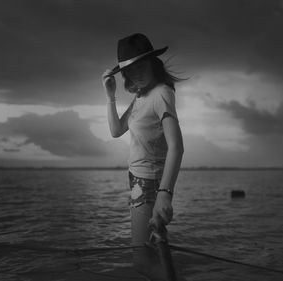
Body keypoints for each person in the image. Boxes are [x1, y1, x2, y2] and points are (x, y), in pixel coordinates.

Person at [102, 33, 184, 280]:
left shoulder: (160, 93)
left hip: (150, 184)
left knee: (140, 262)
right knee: (152, 253)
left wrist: (164, 195)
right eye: (130, 69)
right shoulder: (140, 96)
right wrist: (110, 96)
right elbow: (116, 131)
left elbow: (177, 147)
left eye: (141, 65)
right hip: (139, 182)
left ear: (152, 63)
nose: (136, 73)